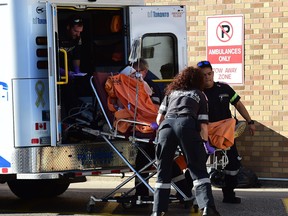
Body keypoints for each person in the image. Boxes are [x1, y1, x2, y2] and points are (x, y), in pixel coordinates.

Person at [151, 66, 220, 216]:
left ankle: (158, 211)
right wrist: (204, 143)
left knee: (163, 170)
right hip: (187, 125)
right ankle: (207, 208)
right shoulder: (200, 94)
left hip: (166, 127)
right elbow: (203, 124)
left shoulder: (171, 93)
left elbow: (158, 119)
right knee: (197, 168)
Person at [130, 59, 191, 203]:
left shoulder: (150, 85)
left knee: (147, 161)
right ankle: (184, 192)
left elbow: (153, 110)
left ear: (144, 71)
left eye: (136, 72)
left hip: (151, 128)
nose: (133, 75)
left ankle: (143, 194)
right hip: (156, 129)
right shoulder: (142, 84)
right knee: (163, 160)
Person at [197, 60, 256, 204]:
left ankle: (229, 195)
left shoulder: (224, 88)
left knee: (233, 164)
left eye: (209, 73)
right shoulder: (196, 93)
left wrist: (250, 121)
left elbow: (238, 104)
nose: (207, 77)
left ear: (213, 73)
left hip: (226, 134)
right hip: (205, 135)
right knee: (197, 164)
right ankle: (187, 195)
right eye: (203, 75)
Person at [58, 15, 84, 115]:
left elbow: (77, 55)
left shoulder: (78, 37)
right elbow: (50, 59)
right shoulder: (58, 35)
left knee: (71, 95)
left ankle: (72, 116)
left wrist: (77, 70)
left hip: (67, 69)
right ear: (68, 27)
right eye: (76, 31)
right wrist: (63, 72)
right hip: (55, 70)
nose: (78, 34)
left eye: (80, 32)